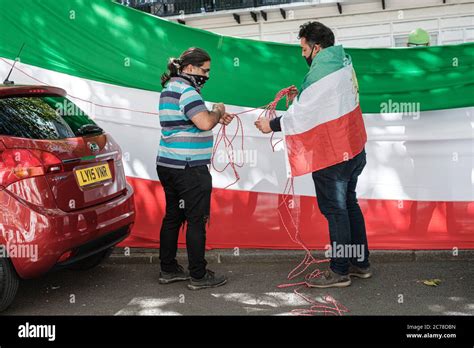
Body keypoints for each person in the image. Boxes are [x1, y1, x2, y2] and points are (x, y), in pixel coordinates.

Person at [255, 22, 371, 288]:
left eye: (304, 48)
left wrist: (270, 125)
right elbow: (321, 105)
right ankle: (359, 263)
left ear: (316, 47)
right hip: (353, 149)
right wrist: (301, 98)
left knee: (336, 211)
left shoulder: (321, 74)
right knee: (349, 205)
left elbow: (306, 113)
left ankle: (340, 270)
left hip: (333, 156)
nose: (302, 54)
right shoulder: (343, 62)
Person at [157, 47, 233, 290]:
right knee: (196, 220)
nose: (207, 76)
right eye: (205, 70)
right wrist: (218, 111)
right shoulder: (188, 91)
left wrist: (213, 116)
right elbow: (203, 122)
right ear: (190, 68)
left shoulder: (169, 87)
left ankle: (168, 270)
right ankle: (199, 276)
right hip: (189, 168)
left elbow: (192, 120)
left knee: (173, 216)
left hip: (168, 164)